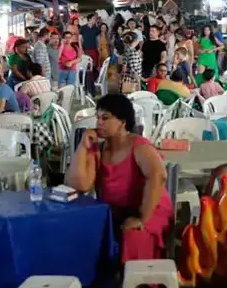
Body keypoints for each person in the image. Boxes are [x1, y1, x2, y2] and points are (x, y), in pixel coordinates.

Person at [65, 93, 173, 263]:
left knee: (134, 236)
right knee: (80, 229)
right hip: (116, 212)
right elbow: (78, 184)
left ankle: (139, 286)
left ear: (122, 122)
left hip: (150, 208)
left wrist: (142, 219)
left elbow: (158, 176)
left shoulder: (139, 146)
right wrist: (82, 147)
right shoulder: (99, 150)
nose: (99, 122)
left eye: (105, 118)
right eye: (98, 117)